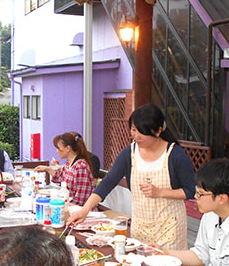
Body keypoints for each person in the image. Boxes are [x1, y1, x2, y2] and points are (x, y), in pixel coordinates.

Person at [68, 104, 195, 250]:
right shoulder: (129, 153)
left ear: (158, 131)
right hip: (140, 226)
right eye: (133, 129)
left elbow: (191, 191)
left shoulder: (175, 154)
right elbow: (108, 182)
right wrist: (85, 210)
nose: (135, 136)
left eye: (142, 132)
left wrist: (160, 192)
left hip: (170, 228)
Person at [35, 132, 95, 206]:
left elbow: (81, 199)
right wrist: (48, 169)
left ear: (68, 148)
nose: (57, 151)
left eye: (58, 148)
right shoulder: (68, 164)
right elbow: (60, 179)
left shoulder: (81, 167)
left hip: (79, 210)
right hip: (70, 206)